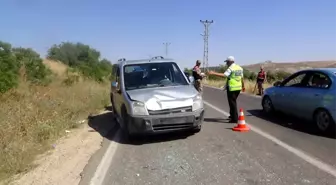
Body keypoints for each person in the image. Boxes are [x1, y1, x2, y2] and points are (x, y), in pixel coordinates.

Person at [208, 56, 245, 123]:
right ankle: (232, 116)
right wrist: (243, 86)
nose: (226, 64)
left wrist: (213, 73)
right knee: (233, 102)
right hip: (238, 88)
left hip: (232, 88)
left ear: (230, 62)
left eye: (227, 62)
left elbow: (224, 75)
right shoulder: (240, 68)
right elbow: (242, 78)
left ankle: (234, 119)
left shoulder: (231, 68)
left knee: (232, 103)